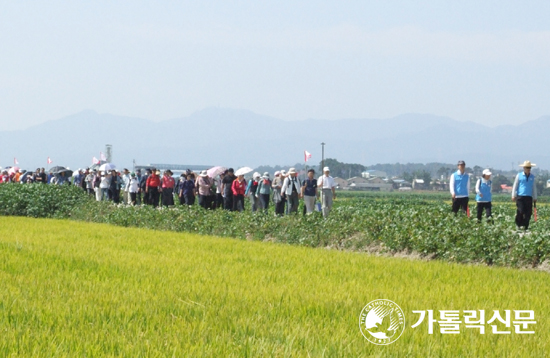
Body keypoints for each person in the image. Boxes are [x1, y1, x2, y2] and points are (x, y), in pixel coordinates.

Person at [512, 160, 538, 231]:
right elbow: (515, 185)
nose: (528, 169)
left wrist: (535, 197)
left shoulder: (532, 177)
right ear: (524, 168)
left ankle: (525, 226)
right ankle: (518, 224)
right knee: (520, 211)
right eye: (527, 168)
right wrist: (513, 195)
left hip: (529, 197)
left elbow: (534, 187)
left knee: (528, 213)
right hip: (520, 196)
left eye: (529, 168)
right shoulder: (519, 175)